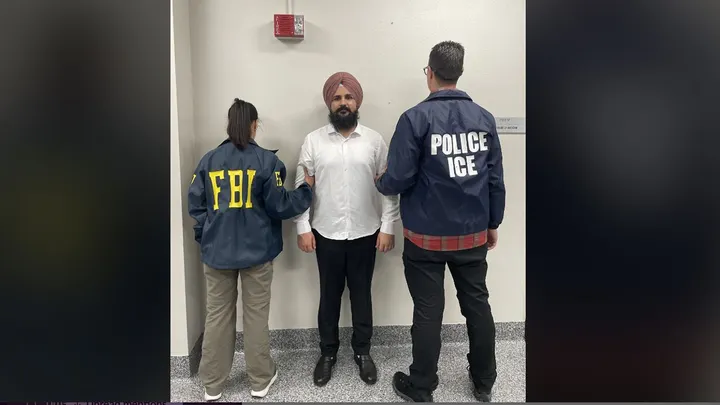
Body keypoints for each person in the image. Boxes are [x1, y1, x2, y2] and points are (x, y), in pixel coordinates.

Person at [375, 41, 506, 402]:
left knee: (428, 312)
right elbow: (495, 179)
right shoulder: (484, 119)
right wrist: (493, 222)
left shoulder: (414, 119)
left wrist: (381, 181)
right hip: (472, 234)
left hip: (425, 238)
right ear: (458, 73)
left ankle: (421, 387)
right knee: (477, 305)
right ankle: (484, 382)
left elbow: (399, 177)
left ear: (429, 73)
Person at [188, 98, 315, 401]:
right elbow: (280, 206)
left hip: (217, 253)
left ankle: (212, 384)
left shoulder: (208, 161)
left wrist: (206, 235)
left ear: (229, 124)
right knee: (256, 316)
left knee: (217, 316)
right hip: (257, 253)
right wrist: (306, 190)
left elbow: (196, 206)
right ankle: (260, 380)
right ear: (255, 125)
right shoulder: (267, 162)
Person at [294, 72, 400, 387]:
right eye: (337, 98)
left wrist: (388, 225)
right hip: (325, 233)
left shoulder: (374, 141)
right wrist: (302, 226)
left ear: (357, 102)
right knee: (329, 296)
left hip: (366, 233)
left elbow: (388, 188)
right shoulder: (313, 141)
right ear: (330, 103)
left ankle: (362, 352)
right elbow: (303, 187)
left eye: (348, 97)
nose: (343, 103)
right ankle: (327, 353)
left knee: (362, 294)